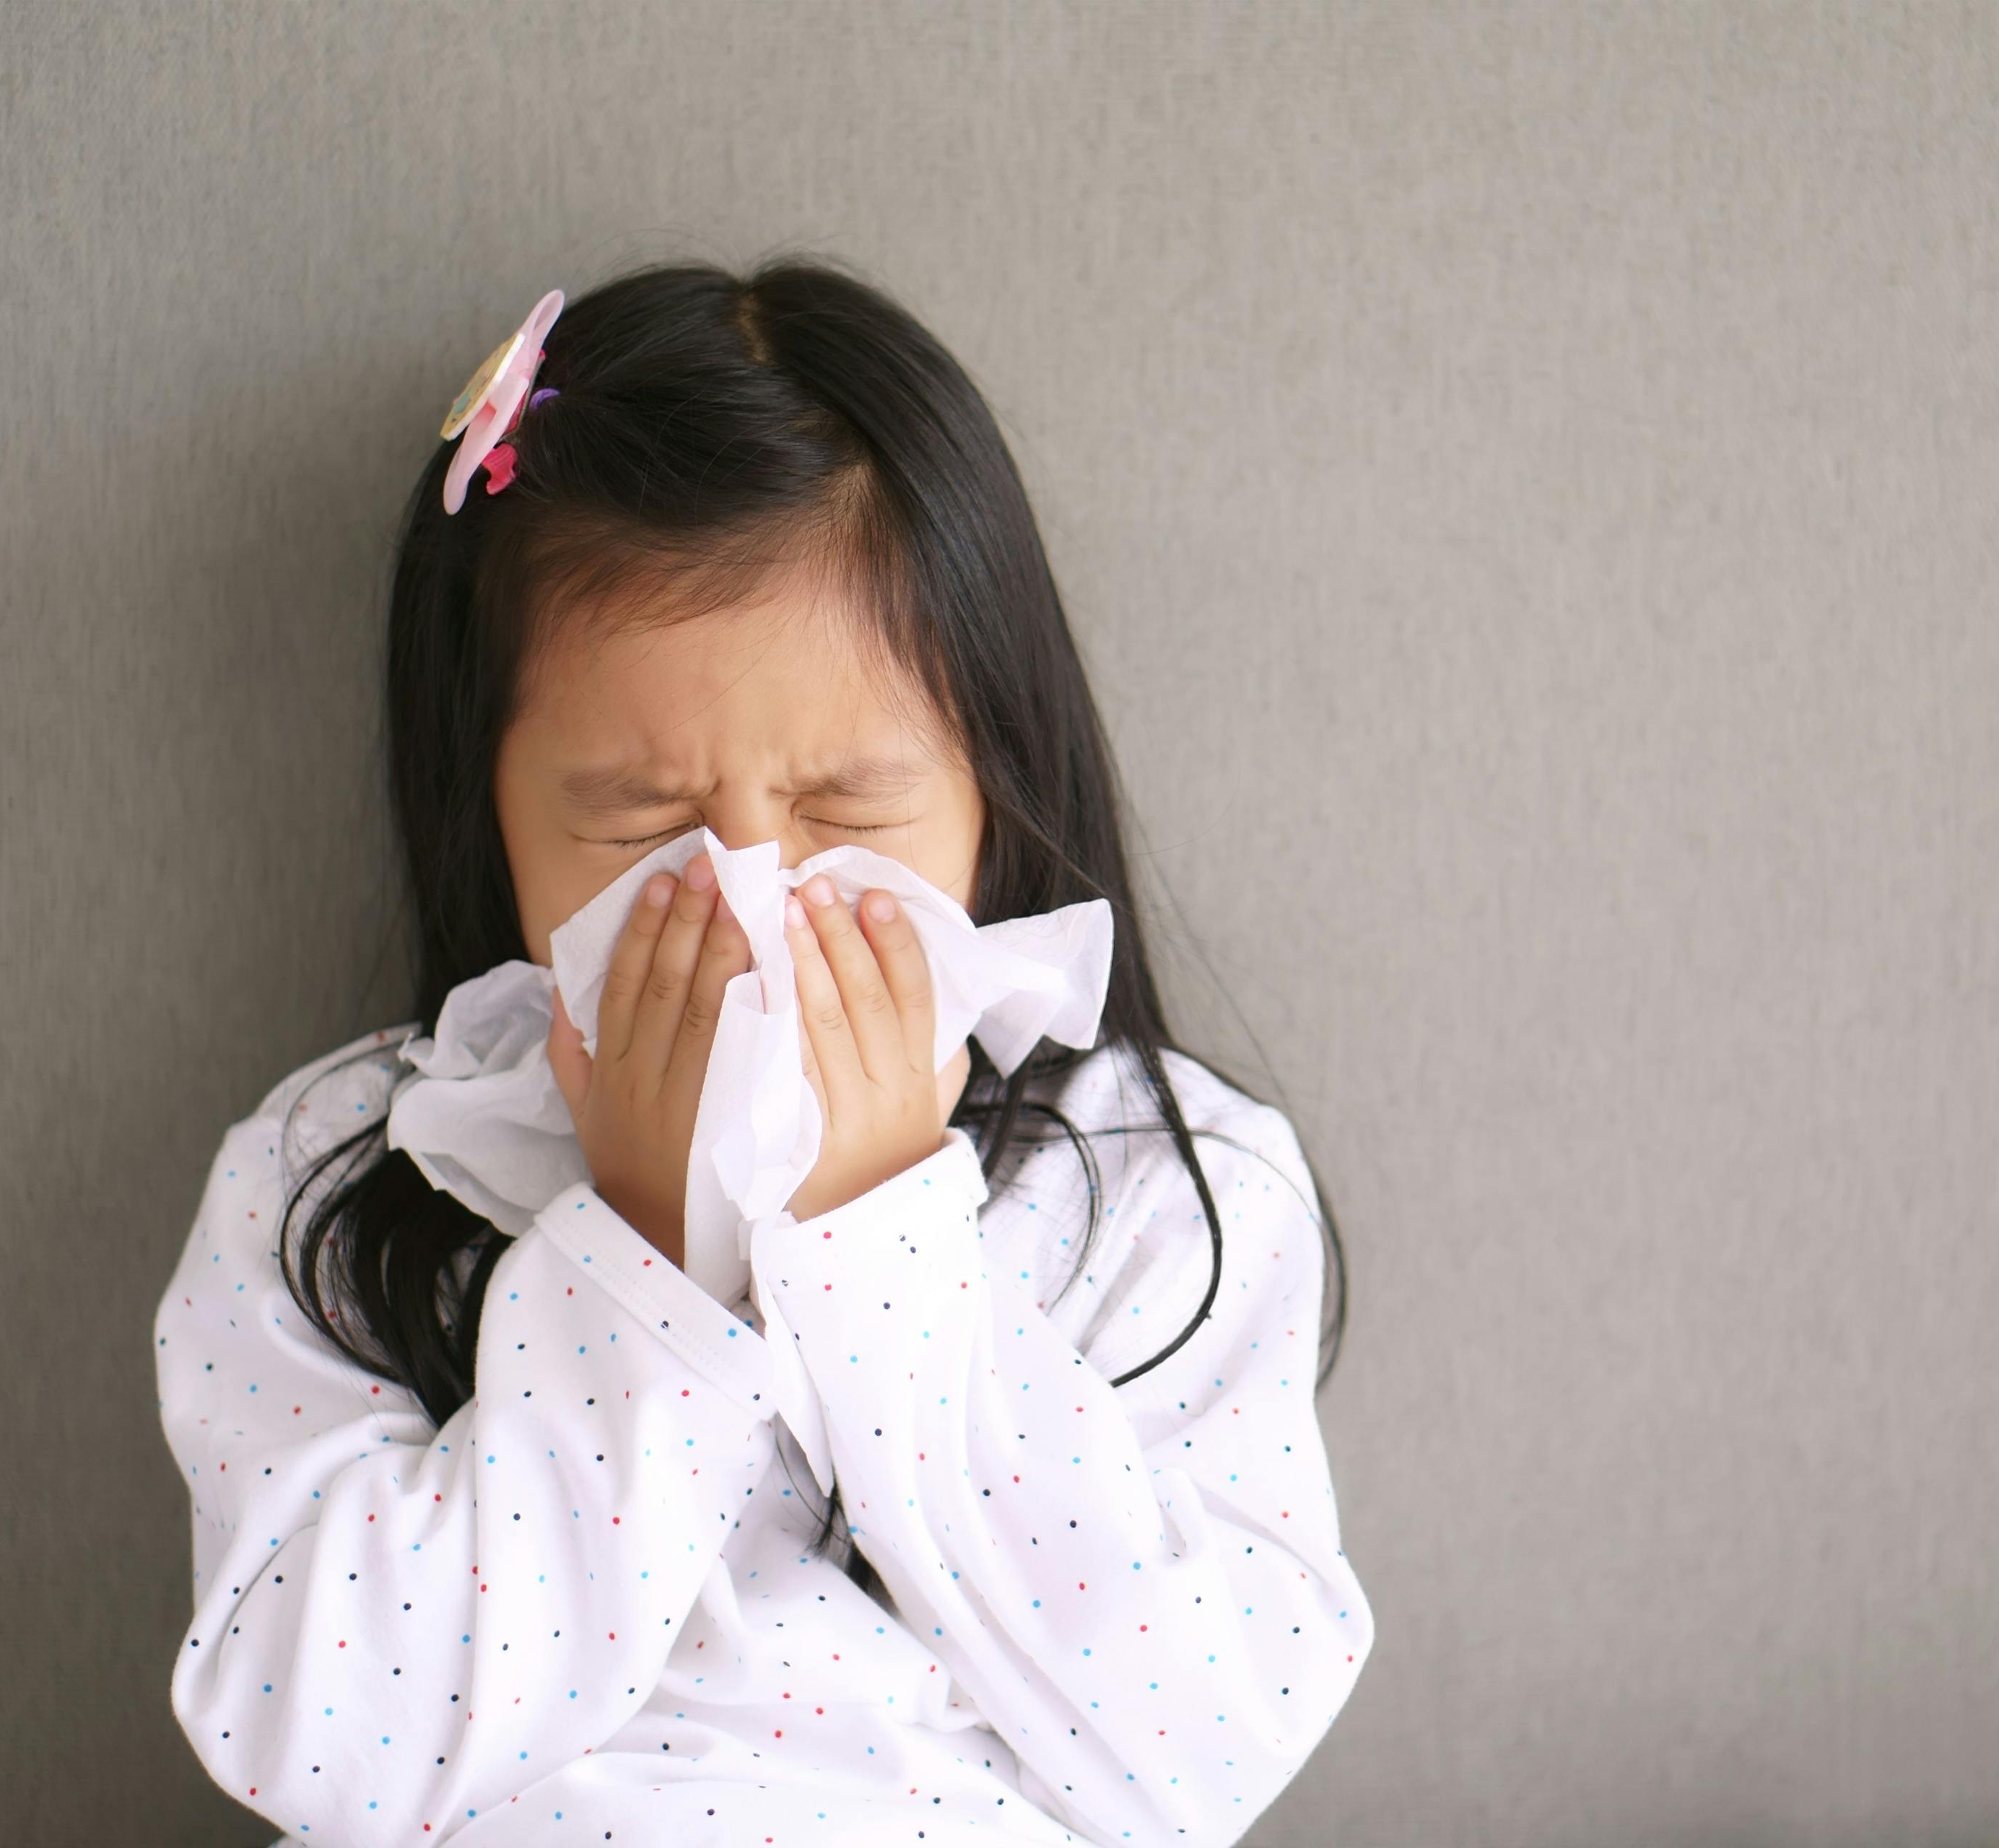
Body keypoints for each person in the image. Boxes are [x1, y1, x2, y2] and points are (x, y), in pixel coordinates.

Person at [153, 258, 1371, 1847]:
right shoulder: (341, 1179)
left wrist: (885, 1256)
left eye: (849, 812)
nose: (747, 905)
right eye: (643, 822)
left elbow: (1202, 1741)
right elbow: (323, 1738)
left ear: (995, 791)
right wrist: (644, 1269)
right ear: (494, 817)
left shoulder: (1158, 1188)